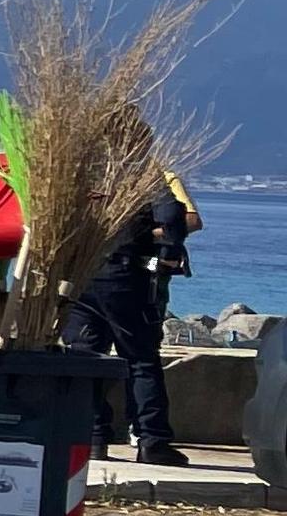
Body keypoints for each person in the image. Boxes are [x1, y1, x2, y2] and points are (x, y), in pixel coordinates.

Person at [66, 173, 200, 467]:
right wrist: (168, 250)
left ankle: (92, 438)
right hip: (128, 275)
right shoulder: (146, 177)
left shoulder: (81, 171)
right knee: (140, 359)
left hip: (81, 276)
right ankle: (152, 441)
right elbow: (173, 216)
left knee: (85, 358)